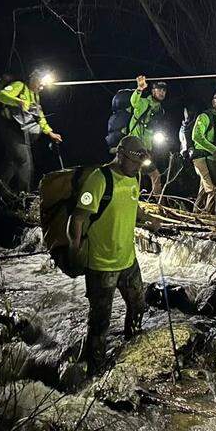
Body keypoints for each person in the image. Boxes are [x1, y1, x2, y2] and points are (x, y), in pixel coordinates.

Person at [68, 135, 159, 372]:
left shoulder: (135, 176)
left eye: (140, 164)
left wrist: (148, 219)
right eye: (134, 163)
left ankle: (131, 350)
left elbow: (133, 203)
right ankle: (94, 371)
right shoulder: (99, 179)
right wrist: (75, 249)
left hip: (128, 260)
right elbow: (78, 216)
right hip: (101, 264)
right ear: (120, 156)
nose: (138, 168)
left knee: (138, 306)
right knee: (100, 323)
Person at [0, 67, 63, 195]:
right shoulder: (19, 86)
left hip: (23, 134)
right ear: (33, 78)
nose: (41, 88)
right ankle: (24, 196)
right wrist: (16, 101)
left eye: (43, 86)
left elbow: (39, 116)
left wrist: (50, 132)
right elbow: (0, 95)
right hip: (11, 130)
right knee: (24, 161)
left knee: (13, 161)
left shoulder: (35, 96)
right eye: (40, 84)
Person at [129, 76, 167, 195]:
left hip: (146, 148)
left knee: (151, 174)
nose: (162, 92)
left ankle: (157, 203)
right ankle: (135, 199)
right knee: (149, 174)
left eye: (164, 90)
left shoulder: (160, 109)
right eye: (159, 89)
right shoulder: (144, 103)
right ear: (153, 90)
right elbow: (134, 102)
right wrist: (139, 89)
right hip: (134, 145)